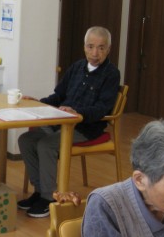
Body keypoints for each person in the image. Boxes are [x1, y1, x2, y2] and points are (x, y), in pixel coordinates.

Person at [17, 26, 121, 218]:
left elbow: (102, 108)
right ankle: (40, 191)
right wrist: (38, 103)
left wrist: (78, 112)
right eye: (90, 47)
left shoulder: (111, 74)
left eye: (101, 48)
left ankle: (49, 198)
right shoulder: (76, 67)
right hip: (61, 124)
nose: (95, 53)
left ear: (109, 49)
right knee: (26, 139)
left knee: (46, 145)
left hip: (86, 128)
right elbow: (58, 96)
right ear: (84, 47)